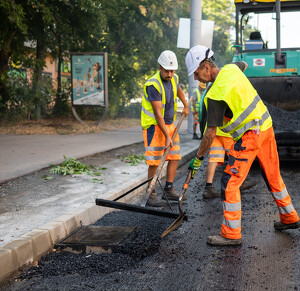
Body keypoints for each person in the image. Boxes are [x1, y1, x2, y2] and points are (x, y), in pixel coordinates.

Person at [185, 45, 300, 246]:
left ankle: (231, 234)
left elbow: (211, 133)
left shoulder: (215, 95)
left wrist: (198, 159)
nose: (196, 79)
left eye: (196, 73)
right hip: (267, 127)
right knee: (273, 176)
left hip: (251, 136)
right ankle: (289, 217)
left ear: (205, 67)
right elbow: (244, 63)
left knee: (229, 182)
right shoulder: (232, 68)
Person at [141, 50, 189, 207]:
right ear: (160, 67)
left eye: (172, 70)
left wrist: (186, 104)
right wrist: (167, 136)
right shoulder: (153, 85)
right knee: (154, 160)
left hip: (170, 124)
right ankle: (151, 192)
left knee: (174, 156)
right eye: (167, 71)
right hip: (154, 127)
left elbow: (178, 89)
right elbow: (157, 114)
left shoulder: (174, 78)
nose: (169, 74)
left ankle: (168, 189)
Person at [200, 68, 256, 199]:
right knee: (235, 156)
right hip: (226, 132)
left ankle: (208, 188)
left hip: (213, 132)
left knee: (214, 159)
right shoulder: (225, 89)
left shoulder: (210, 91)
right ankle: (239, 182)